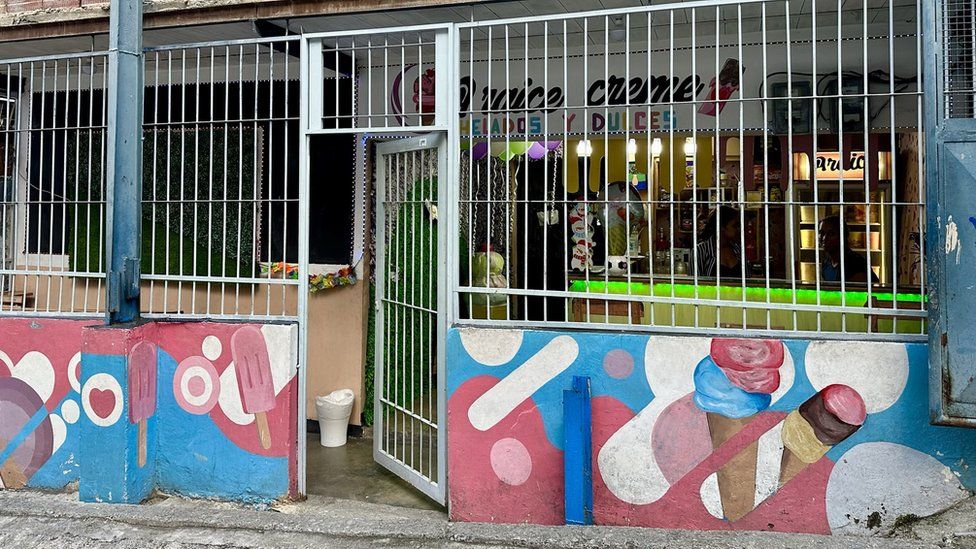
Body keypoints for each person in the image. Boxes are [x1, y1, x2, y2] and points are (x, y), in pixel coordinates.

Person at [818, 214, 877, 283]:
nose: (824, 238)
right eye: (821, 233)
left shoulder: (856, 264)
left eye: (831, 234)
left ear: (842, 236)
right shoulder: (827, 262)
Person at [696, 205, 742, 278]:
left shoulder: (738, 249)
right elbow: (693, 285)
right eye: (734, 226)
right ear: (722, 227)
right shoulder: (700, 251)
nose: (738, 229)